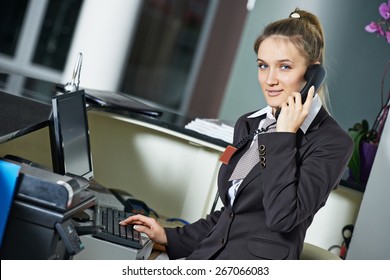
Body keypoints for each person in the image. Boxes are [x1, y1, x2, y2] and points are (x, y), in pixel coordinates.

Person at [120, 8, 353, 260]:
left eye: (284, 67)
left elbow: (282, 217)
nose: (269, 79)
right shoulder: (251, 123)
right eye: (263, 66)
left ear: (312, 74)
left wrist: (284, 136)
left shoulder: (331, 142)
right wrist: (169, 236)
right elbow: (231, 215)